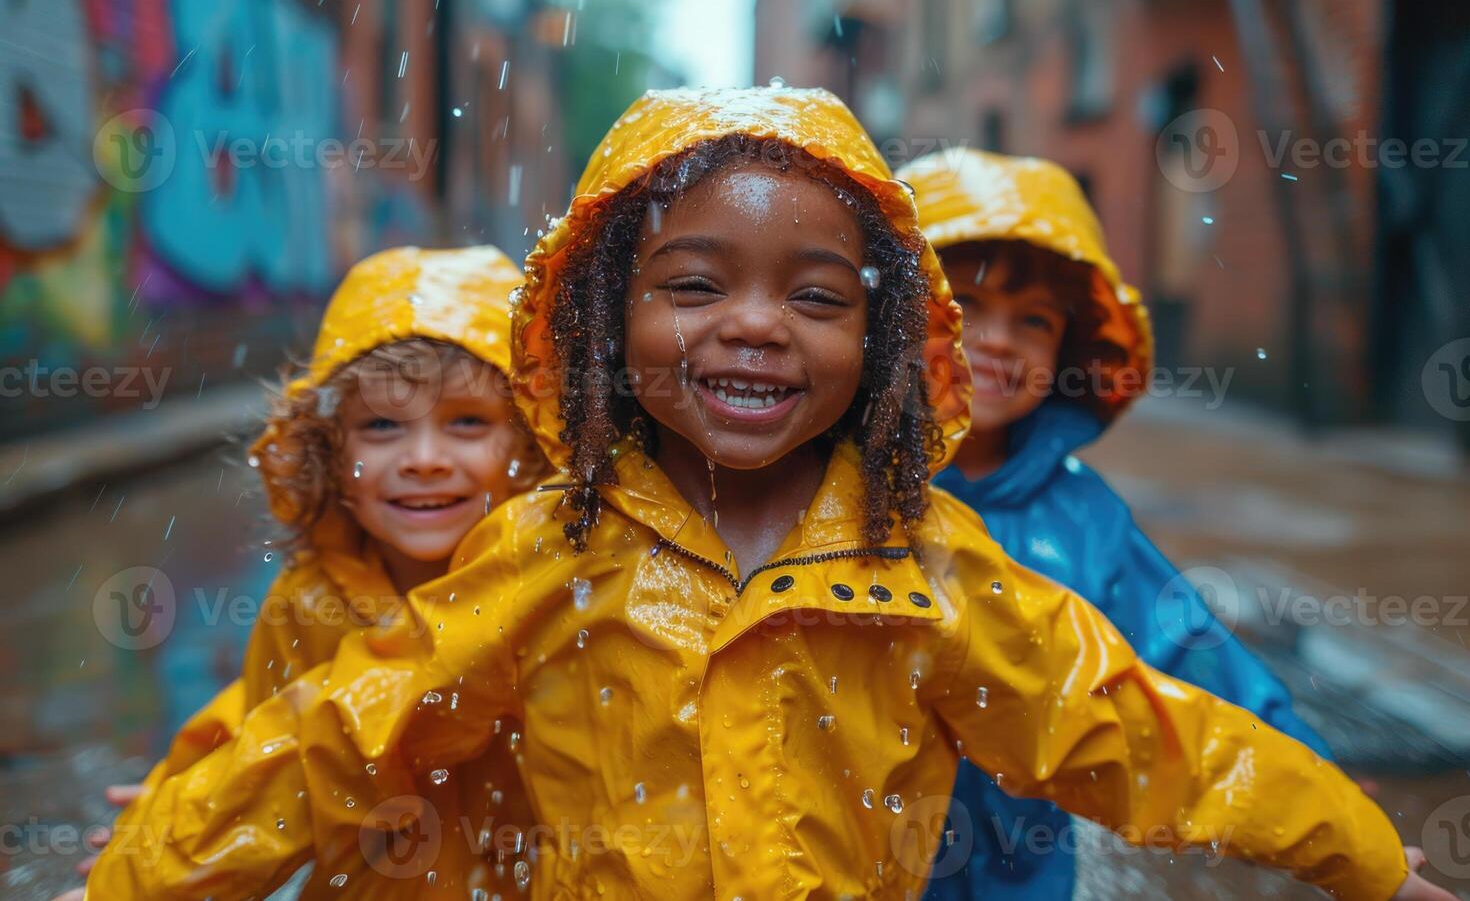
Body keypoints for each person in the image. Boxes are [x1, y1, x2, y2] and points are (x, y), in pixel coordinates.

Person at [89, 88, 1446, 900]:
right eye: (692, 286)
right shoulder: (541, 551)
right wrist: (146, 863)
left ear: (887, 345)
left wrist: (1360, 856)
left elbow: (1139, 732)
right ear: (604, 320)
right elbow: (330, 735)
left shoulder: (921, 564)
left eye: (813, 297)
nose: (754, 327)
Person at [900, 149, 1332, 900]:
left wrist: (1316, 781)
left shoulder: (1084, 518)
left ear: (1066, 350)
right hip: (861, 857)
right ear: (896, 317)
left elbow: (1186, 652)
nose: (998, 341)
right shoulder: (845, 488)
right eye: (963, 306)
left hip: (1020, 866)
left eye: (1032, 321)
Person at [73, 245, 546, 899]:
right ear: (328, 450)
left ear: (527, 442)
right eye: (382, 425)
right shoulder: (310, 598)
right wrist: (177, 800)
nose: (425, 458)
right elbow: (272, 723)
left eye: (468, 422)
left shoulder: (551, 590)